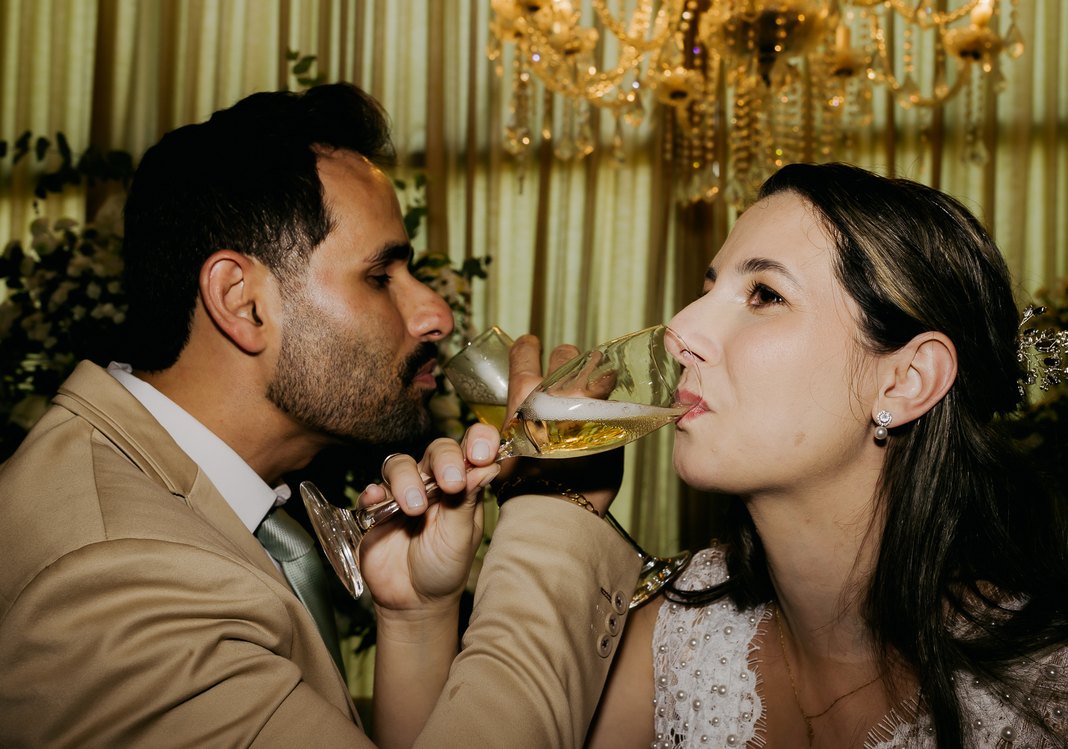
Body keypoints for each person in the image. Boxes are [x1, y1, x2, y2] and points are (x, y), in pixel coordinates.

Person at [0, 83, 639, 748]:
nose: (437, 315)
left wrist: (416, 616)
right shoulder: (118, 579)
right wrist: (554, 507)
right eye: (380, 276)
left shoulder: (175, 499)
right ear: (242, 301)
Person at [577, 163, 1068, 748]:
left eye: (764, 294)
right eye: (707, 288)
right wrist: (558, 506)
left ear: (906, 382)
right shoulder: (671, 636)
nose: (680, 330)